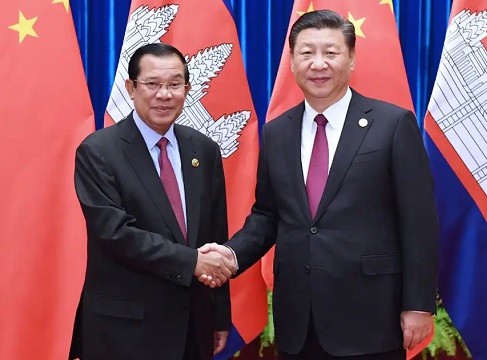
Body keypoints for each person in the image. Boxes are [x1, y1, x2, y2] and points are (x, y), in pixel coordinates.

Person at [199, 10, 438, 360]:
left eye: (331, 52)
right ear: (292, 62)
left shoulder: (392, 124)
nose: (318, 63)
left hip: (371, 316)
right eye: (307, 53)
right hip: (299, 318)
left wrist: (418, 305)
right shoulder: (277, 131)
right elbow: (267, 215)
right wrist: (231, 255)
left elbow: (419, 222)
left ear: (352, 58)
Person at [69, 43, 235, 360]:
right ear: (131, 88)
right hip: (125, 331)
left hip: (192, 326)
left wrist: (219, 314)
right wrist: (192, 263)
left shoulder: (204, 149)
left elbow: (216, 234)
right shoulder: (98, 151)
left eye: (174, 84)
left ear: (187, 89)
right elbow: (115, 234)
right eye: (152, 84)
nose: (164, 94)